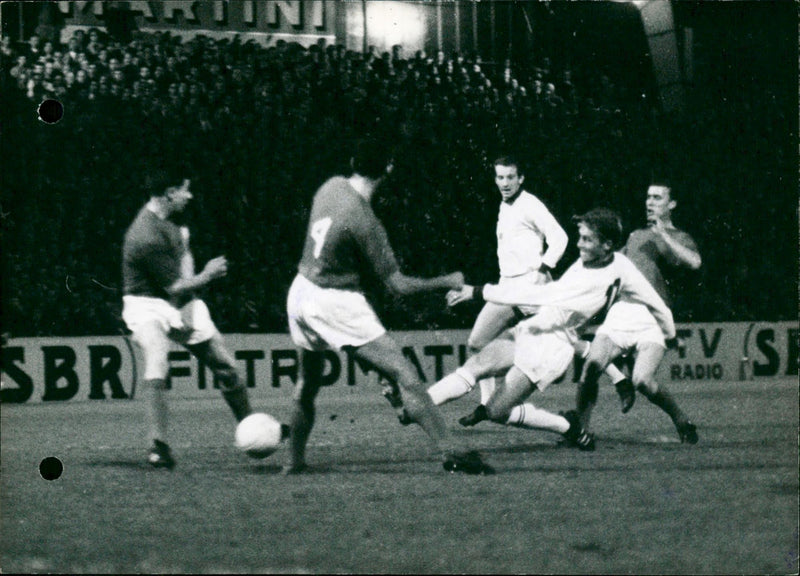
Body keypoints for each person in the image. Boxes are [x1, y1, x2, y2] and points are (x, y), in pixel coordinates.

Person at [285, 138, 494, 475]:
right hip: (333, 299)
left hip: (299, 291)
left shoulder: (330, 186)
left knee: (306, 384)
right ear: (389, 170)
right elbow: (397, 285)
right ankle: (452, 451)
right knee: (405, 374)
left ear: (354, 160)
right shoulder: (365, 221)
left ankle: (293, 463)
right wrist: (446, 281)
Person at [437, 208, 676, 449]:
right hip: (532, 329)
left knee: (497, 412)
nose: (579, 244)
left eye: (587, 239)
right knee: (476, 365)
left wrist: (477, 292)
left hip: (549, 349)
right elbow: (659, 307)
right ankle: (418, 406)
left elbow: (535, 295)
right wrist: (671, 335)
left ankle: (568, 427)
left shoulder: (590, 283)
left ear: (607, 245)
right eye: (580, 236)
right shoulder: (620, 263)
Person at [122, 172, 258, 469]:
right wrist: (207, 276)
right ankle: (157, 446)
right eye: (185, 190)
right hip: (146, 305)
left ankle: (253, 431)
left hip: (180, 300)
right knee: (158, 355)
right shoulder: (145, 234)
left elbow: (183, 277)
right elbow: (173, 286)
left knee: (226, 367)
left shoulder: (174, 223)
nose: (190, 196)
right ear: (170, 192)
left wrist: (188, 289)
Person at [431, 156, 569, 426]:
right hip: (508, 286)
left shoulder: (530, 204)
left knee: (567, 339)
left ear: (521, 179)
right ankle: (487, 404)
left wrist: (542, 270)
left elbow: (560, 238)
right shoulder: (505, 206)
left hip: (530, 289)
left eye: (510, 177)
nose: (505, 183)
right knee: (476, 343)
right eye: (500, 177)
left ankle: (616, 375)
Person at [575, 182, 701, 444]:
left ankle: (680, 419)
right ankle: (580, 431)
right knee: (591, 367)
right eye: (648, 197)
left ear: (671, 204)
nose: (650, 202)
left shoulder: (680, 238)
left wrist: (662, 234)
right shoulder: (634, 236)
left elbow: (695, 262)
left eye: (657, 197)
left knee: (643, 380)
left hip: (653, 318)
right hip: (621, 312)